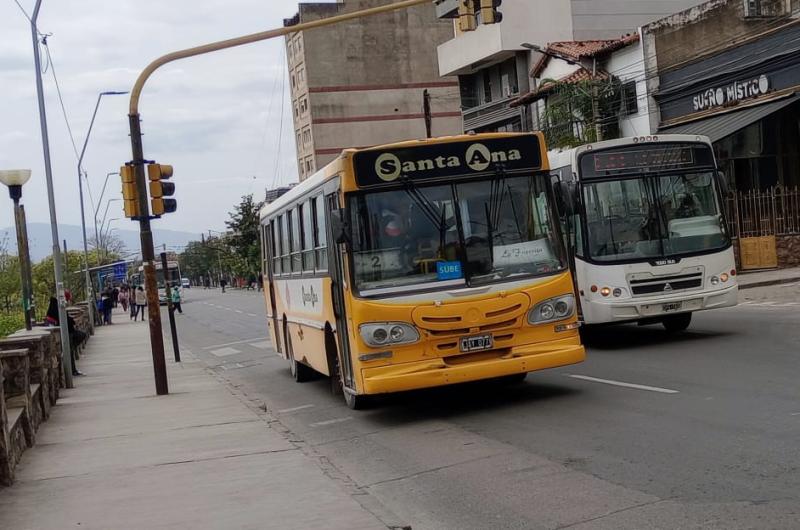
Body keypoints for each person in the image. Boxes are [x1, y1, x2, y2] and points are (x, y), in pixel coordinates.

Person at [46, 297, 84, 376]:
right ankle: (73, 371)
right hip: (66, 334)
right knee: (69, 352)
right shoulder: (56, 312)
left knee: (80, 336)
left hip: (68, 333)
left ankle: (73, 370)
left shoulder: (53, 311)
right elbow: (65, 320)